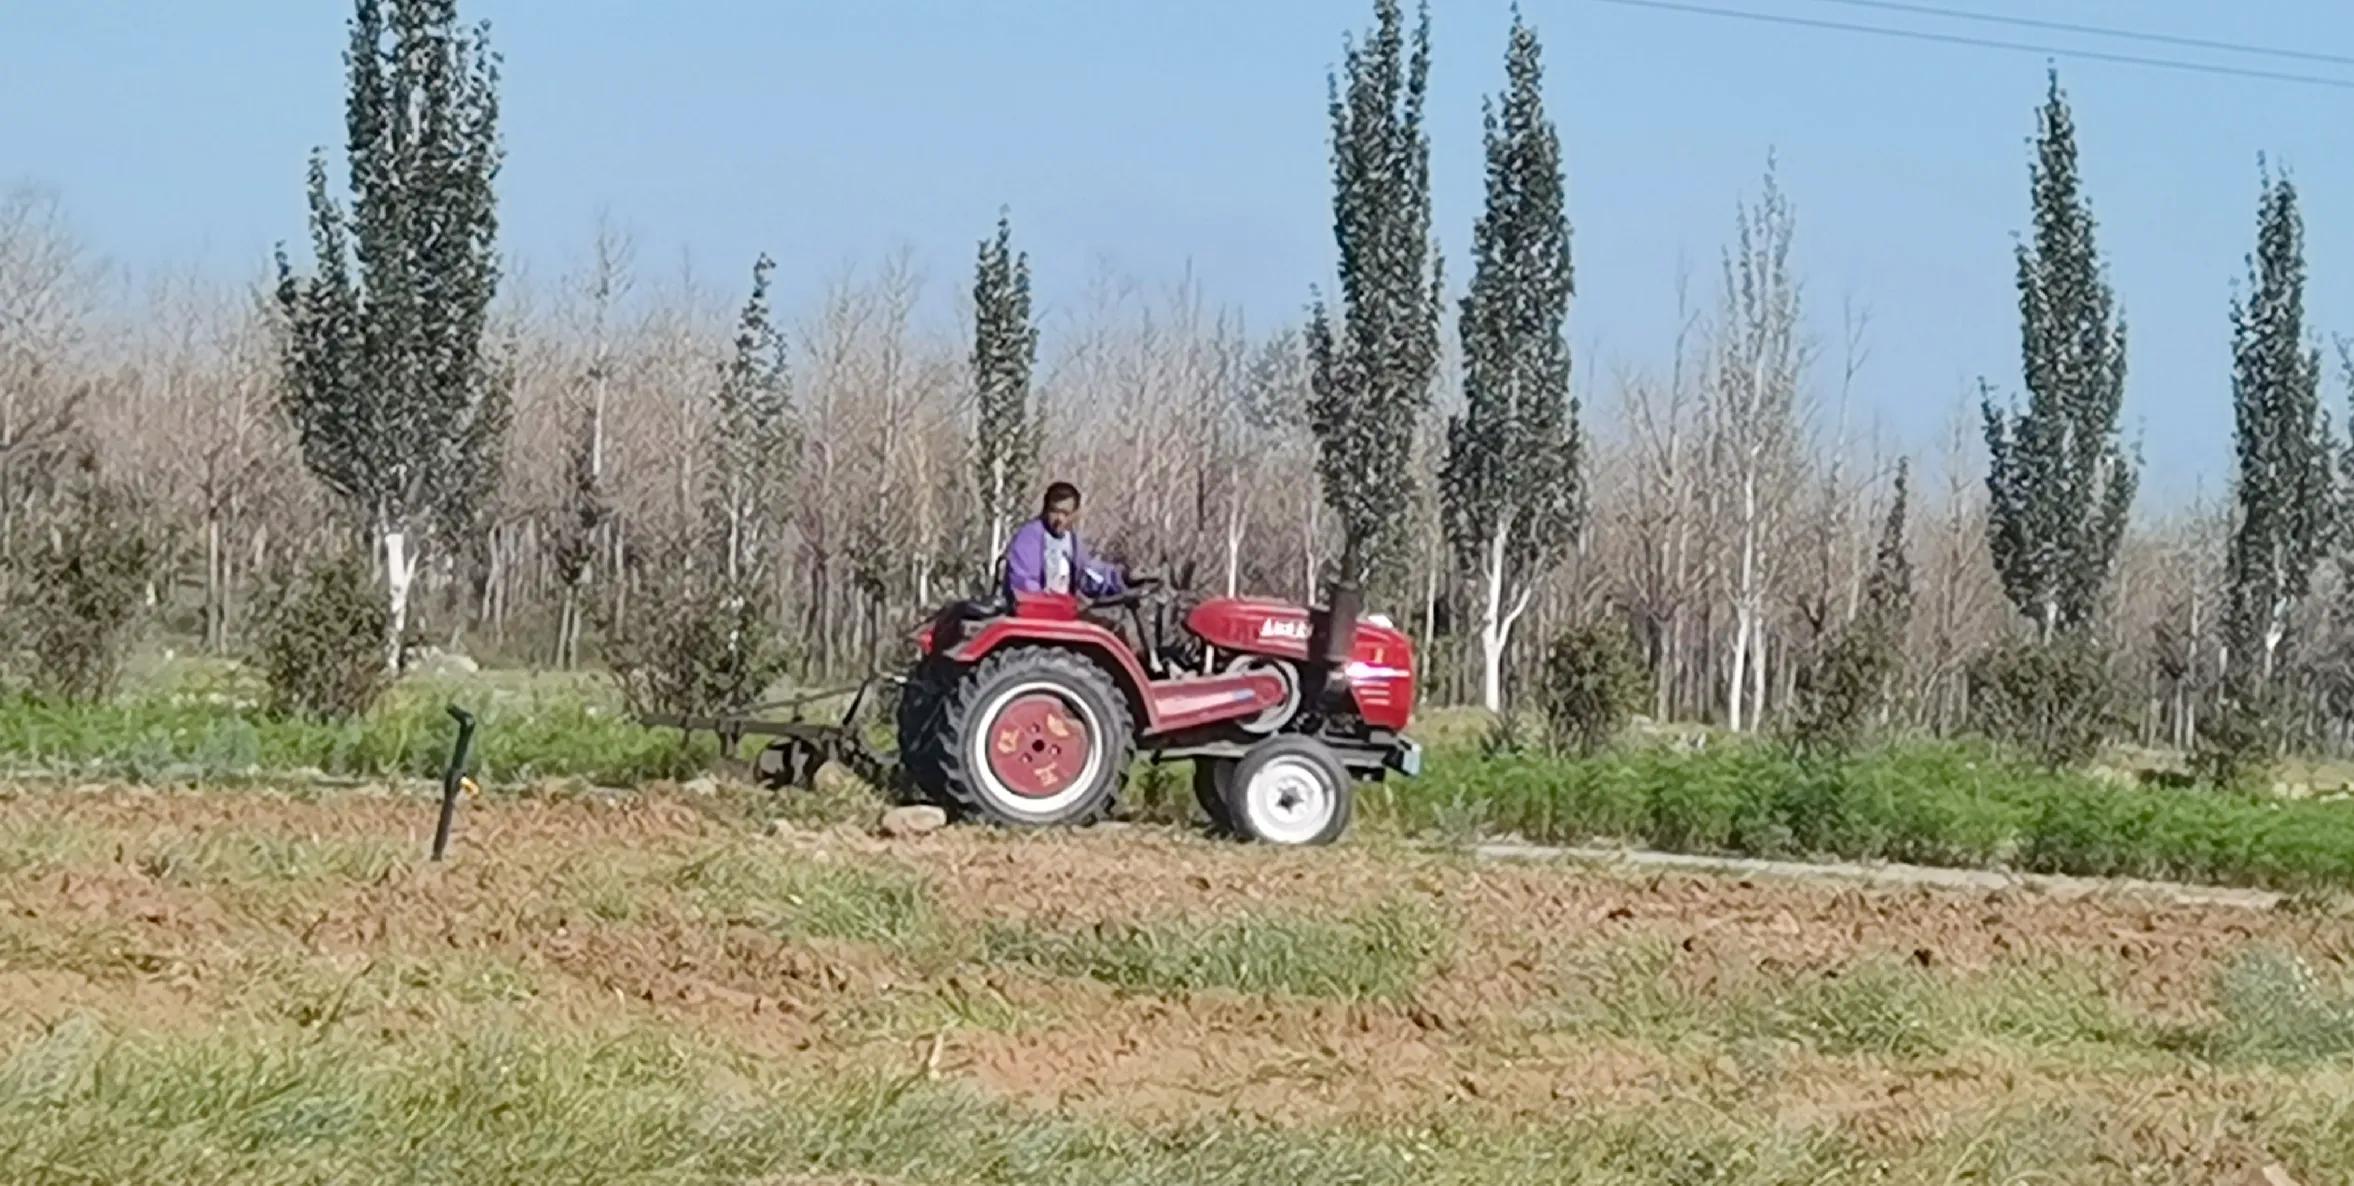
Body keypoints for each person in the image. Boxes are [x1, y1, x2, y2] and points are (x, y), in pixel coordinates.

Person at [1002, 481, 1126, 600]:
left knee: (1108, 622)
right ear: (1045, 510)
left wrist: (1122, 578)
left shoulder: (1072, 542)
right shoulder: (1029, 538)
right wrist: (1046, 599)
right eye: (1054, 511)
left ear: (1075, 514)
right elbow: (1023, 582)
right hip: (1034, 613)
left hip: (1062, 611)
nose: (1059, 519)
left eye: (1065, 513)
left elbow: (1089, 575)